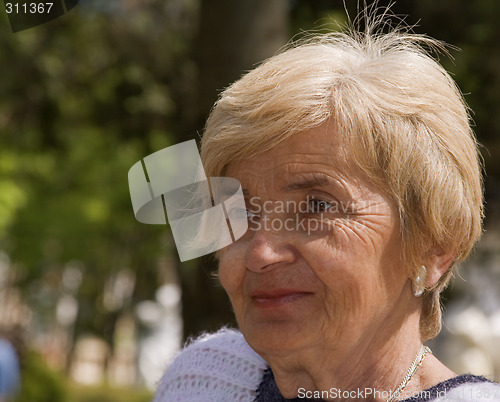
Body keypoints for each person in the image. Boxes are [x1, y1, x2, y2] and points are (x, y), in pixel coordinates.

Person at [151, 17, 500, 402]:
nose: (260, 253)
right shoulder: (202, 381)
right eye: (241, 211)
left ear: (434, 247)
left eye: (316, 206)